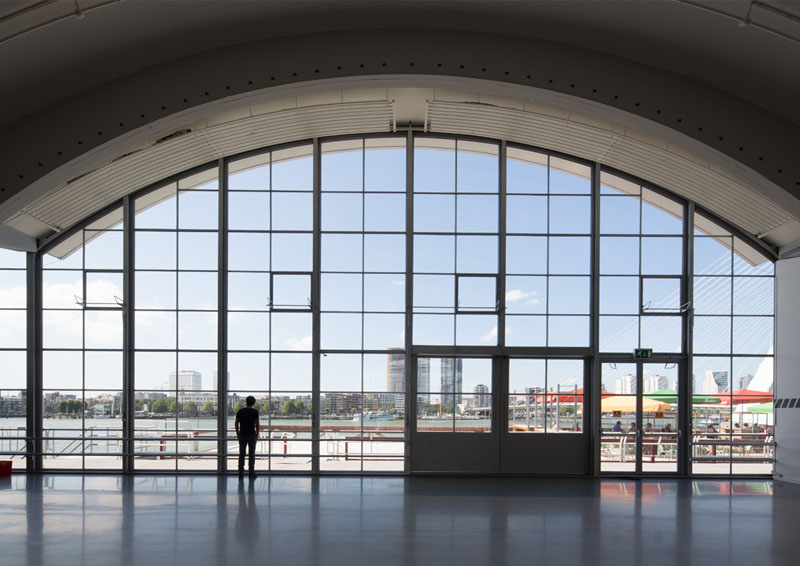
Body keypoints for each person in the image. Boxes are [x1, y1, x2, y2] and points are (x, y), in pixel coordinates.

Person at [235, 395, 260, 478]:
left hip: (242, 434)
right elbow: (257, 424)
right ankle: (251, 472)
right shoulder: (255, 412)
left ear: (246, 402)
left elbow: (236, 423)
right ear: (253, 403)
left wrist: (237, 433)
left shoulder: (240, 411)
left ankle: (240, 472)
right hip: (251, 435)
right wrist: (257, 433)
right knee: (251, 454)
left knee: (242, 454)